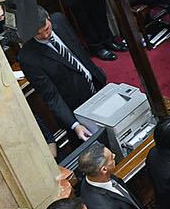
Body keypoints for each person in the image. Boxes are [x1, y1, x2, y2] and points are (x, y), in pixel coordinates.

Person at [18, 9, 106, 140]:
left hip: (96, 84)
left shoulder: (59, 20)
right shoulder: (28, 58)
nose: (45, 35)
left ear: (49, 18)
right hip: (77, 110)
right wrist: (75, 124)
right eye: (38, 34)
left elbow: (77, 50)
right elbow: (51, 96)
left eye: (47, 29)